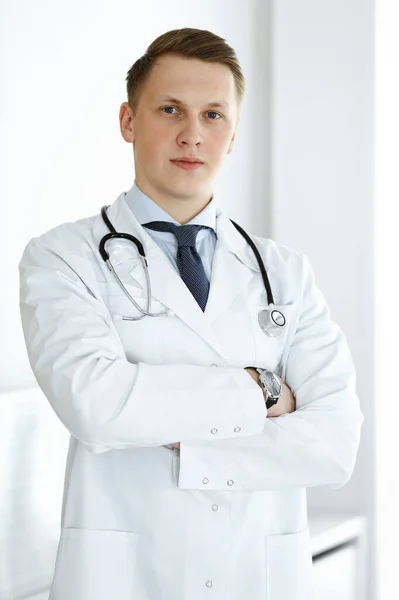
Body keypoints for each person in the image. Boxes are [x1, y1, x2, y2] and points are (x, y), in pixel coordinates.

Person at [18, 27, 364, 600]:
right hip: (126, 578)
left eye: (213, 116)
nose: (191, 135)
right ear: (129, 121)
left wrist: (177, 433)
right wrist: (263, 390)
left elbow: (334, 444)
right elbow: (97, 406)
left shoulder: (285, 271)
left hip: (258, 574)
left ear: (232, 136)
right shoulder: (61, 258)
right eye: (170, 109)